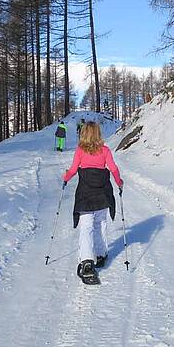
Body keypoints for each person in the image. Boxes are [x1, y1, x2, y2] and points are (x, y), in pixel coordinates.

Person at [62, 121, 124, 283]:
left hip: (85, 194)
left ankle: (87, 261)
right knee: (100, 223)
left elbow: (74, 169)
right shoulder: (105, 150)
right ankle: (101, 253)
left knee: (86, 227)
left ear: (84, 133)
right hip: (103, 192)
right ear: (98, 133)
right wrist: (119, 182)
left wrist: (66, 177)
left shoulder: (80, 150)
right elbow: (113, 168)